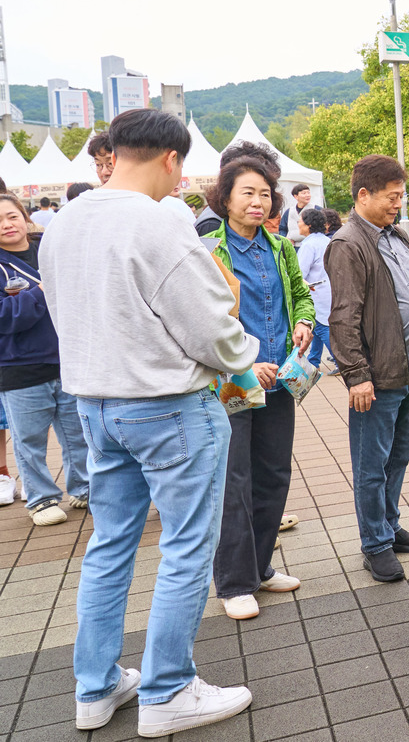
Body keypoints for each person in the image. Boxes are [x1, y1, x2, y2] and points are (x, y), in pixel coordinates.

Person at [40, 108, 256, 735]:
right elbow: (211, 326)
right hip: (168, 405)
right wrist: (243, 361)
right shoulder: (159, 224)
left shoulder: (64, 222)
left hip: (94, 406)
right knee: (186, 548)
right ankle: (168, 690)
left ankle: (96, 686)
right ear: (170, 158)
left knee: (110, 545)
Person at [206, 152, 315, 619]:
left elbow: (302, 293)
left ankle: (261, 567)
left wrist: (306, 324)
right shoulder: (211, 249)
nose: (257, 201)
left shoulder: (280, 246)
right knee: (235, 480)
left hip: (281, 380)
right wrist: (248, 365)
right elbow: (207, 321)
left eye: (264, 194)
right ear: (225, 198)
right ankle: (234, 583)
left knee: (273, 474)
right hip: (234, 382)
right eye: (246, 192)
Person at [324, 155, 409, 584]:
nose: (398, 204)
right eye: (392, 197)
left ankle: (389, 526)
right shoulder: (348, 244)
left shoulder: (398, 236)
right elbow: (343, 316)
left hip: (407, 369)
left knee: (399, 455)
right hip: (377, 375)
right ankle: (375, 545)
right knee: (371, 465)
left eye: (401, 196)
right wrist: (356, 374)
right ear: (363, 195)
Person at [0, 194, 89, 526]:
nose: (7, 225)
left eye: (12, 216)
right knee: (29, 440)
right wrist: (42, 291)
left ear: (26, 218)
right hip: (18, 368)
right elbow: (6, 317)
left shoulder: (51, 253)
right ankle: (41, 499)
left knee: (78, 432)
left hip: (67, 361)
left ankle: (84, 488)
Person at [296, 208, 334, 370]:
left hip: (316, 292)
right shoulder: (327, 240)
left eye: (300, 221)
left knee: (323, 327)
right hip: (330, 290)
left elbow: (299, 273)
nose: (298, 224)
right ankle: (313, 361)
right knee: (318, 325)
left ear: (308, 225)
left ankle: (342, 362)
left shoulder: (308, 245)